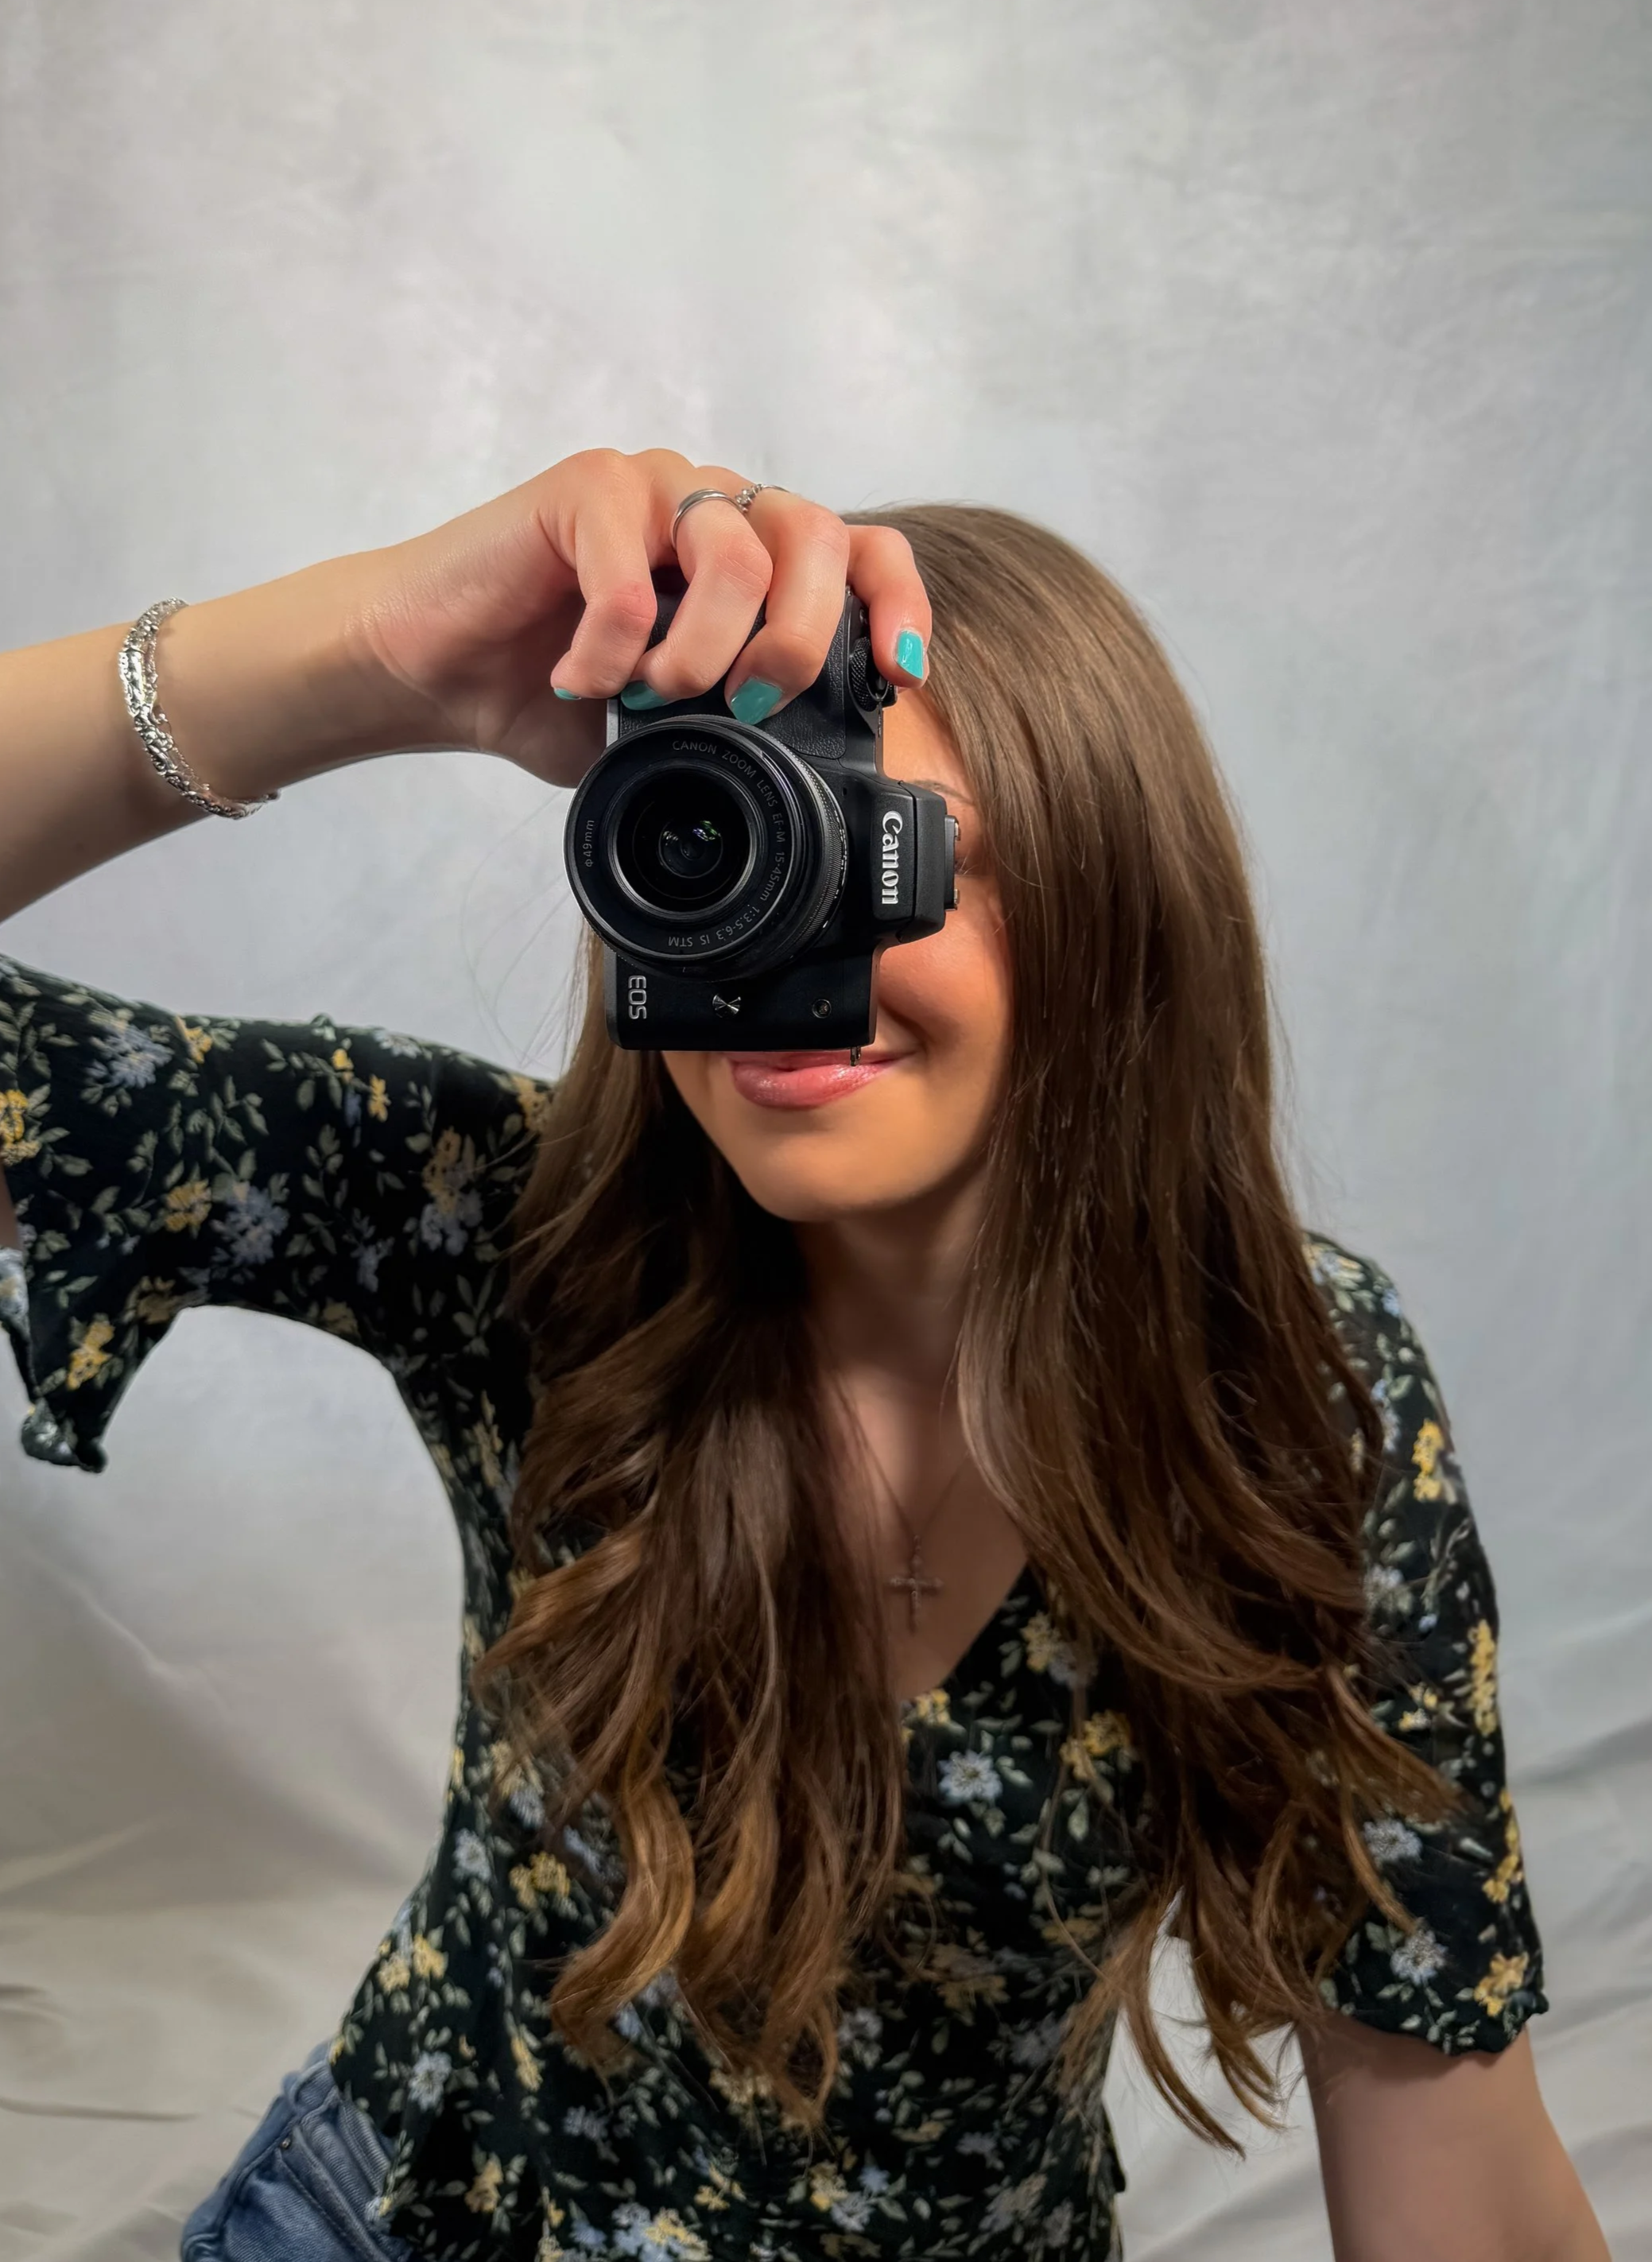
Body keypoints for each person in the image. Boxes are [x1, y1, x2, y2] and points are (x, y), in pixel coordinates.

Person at [0, 448, 1607, 2262]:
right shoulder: (524, 1224)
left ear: (1111, 905)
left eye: (891, 856)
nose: (794, 946)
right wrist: (372, 653)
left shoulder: (1289, 1389)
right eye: (734, 847)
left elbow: (1447, 2152)